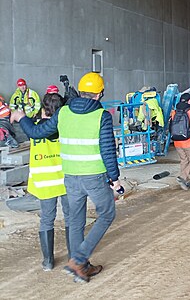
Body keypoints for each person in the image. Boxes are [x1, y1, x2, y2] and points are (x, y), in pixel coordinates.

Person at [12, 72, 120, 283]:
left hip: (70, 177)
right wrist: (114, 179)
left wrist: (21, 117)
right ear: (99, 95)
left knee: (76, 220)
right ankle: (78, 259)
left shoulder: (63, 113)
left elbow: (36, 132)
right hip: (94, 176)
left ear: (80, 92)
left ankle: (81, 267)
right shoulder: (102, 116)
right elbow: (107, 150)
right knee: (107, 213)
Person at [27, 91, 70, 271]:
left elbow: (33, 123)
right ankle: (74, 256)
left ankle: (48, 261)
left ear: (44, 109)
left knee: (46, 220)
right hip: (66, 179)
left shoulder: (35, 128)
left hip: (44, 181)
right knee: (71, 218)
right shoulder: (66, 127)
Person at [170, 93, 190, 190]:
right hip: (189, 142)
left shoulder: (174, 112)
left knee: (184, 160)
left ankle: (185, 182)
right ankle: (183, 177)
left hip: (177, 142)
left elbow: (171, 127)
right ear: (189, 101)